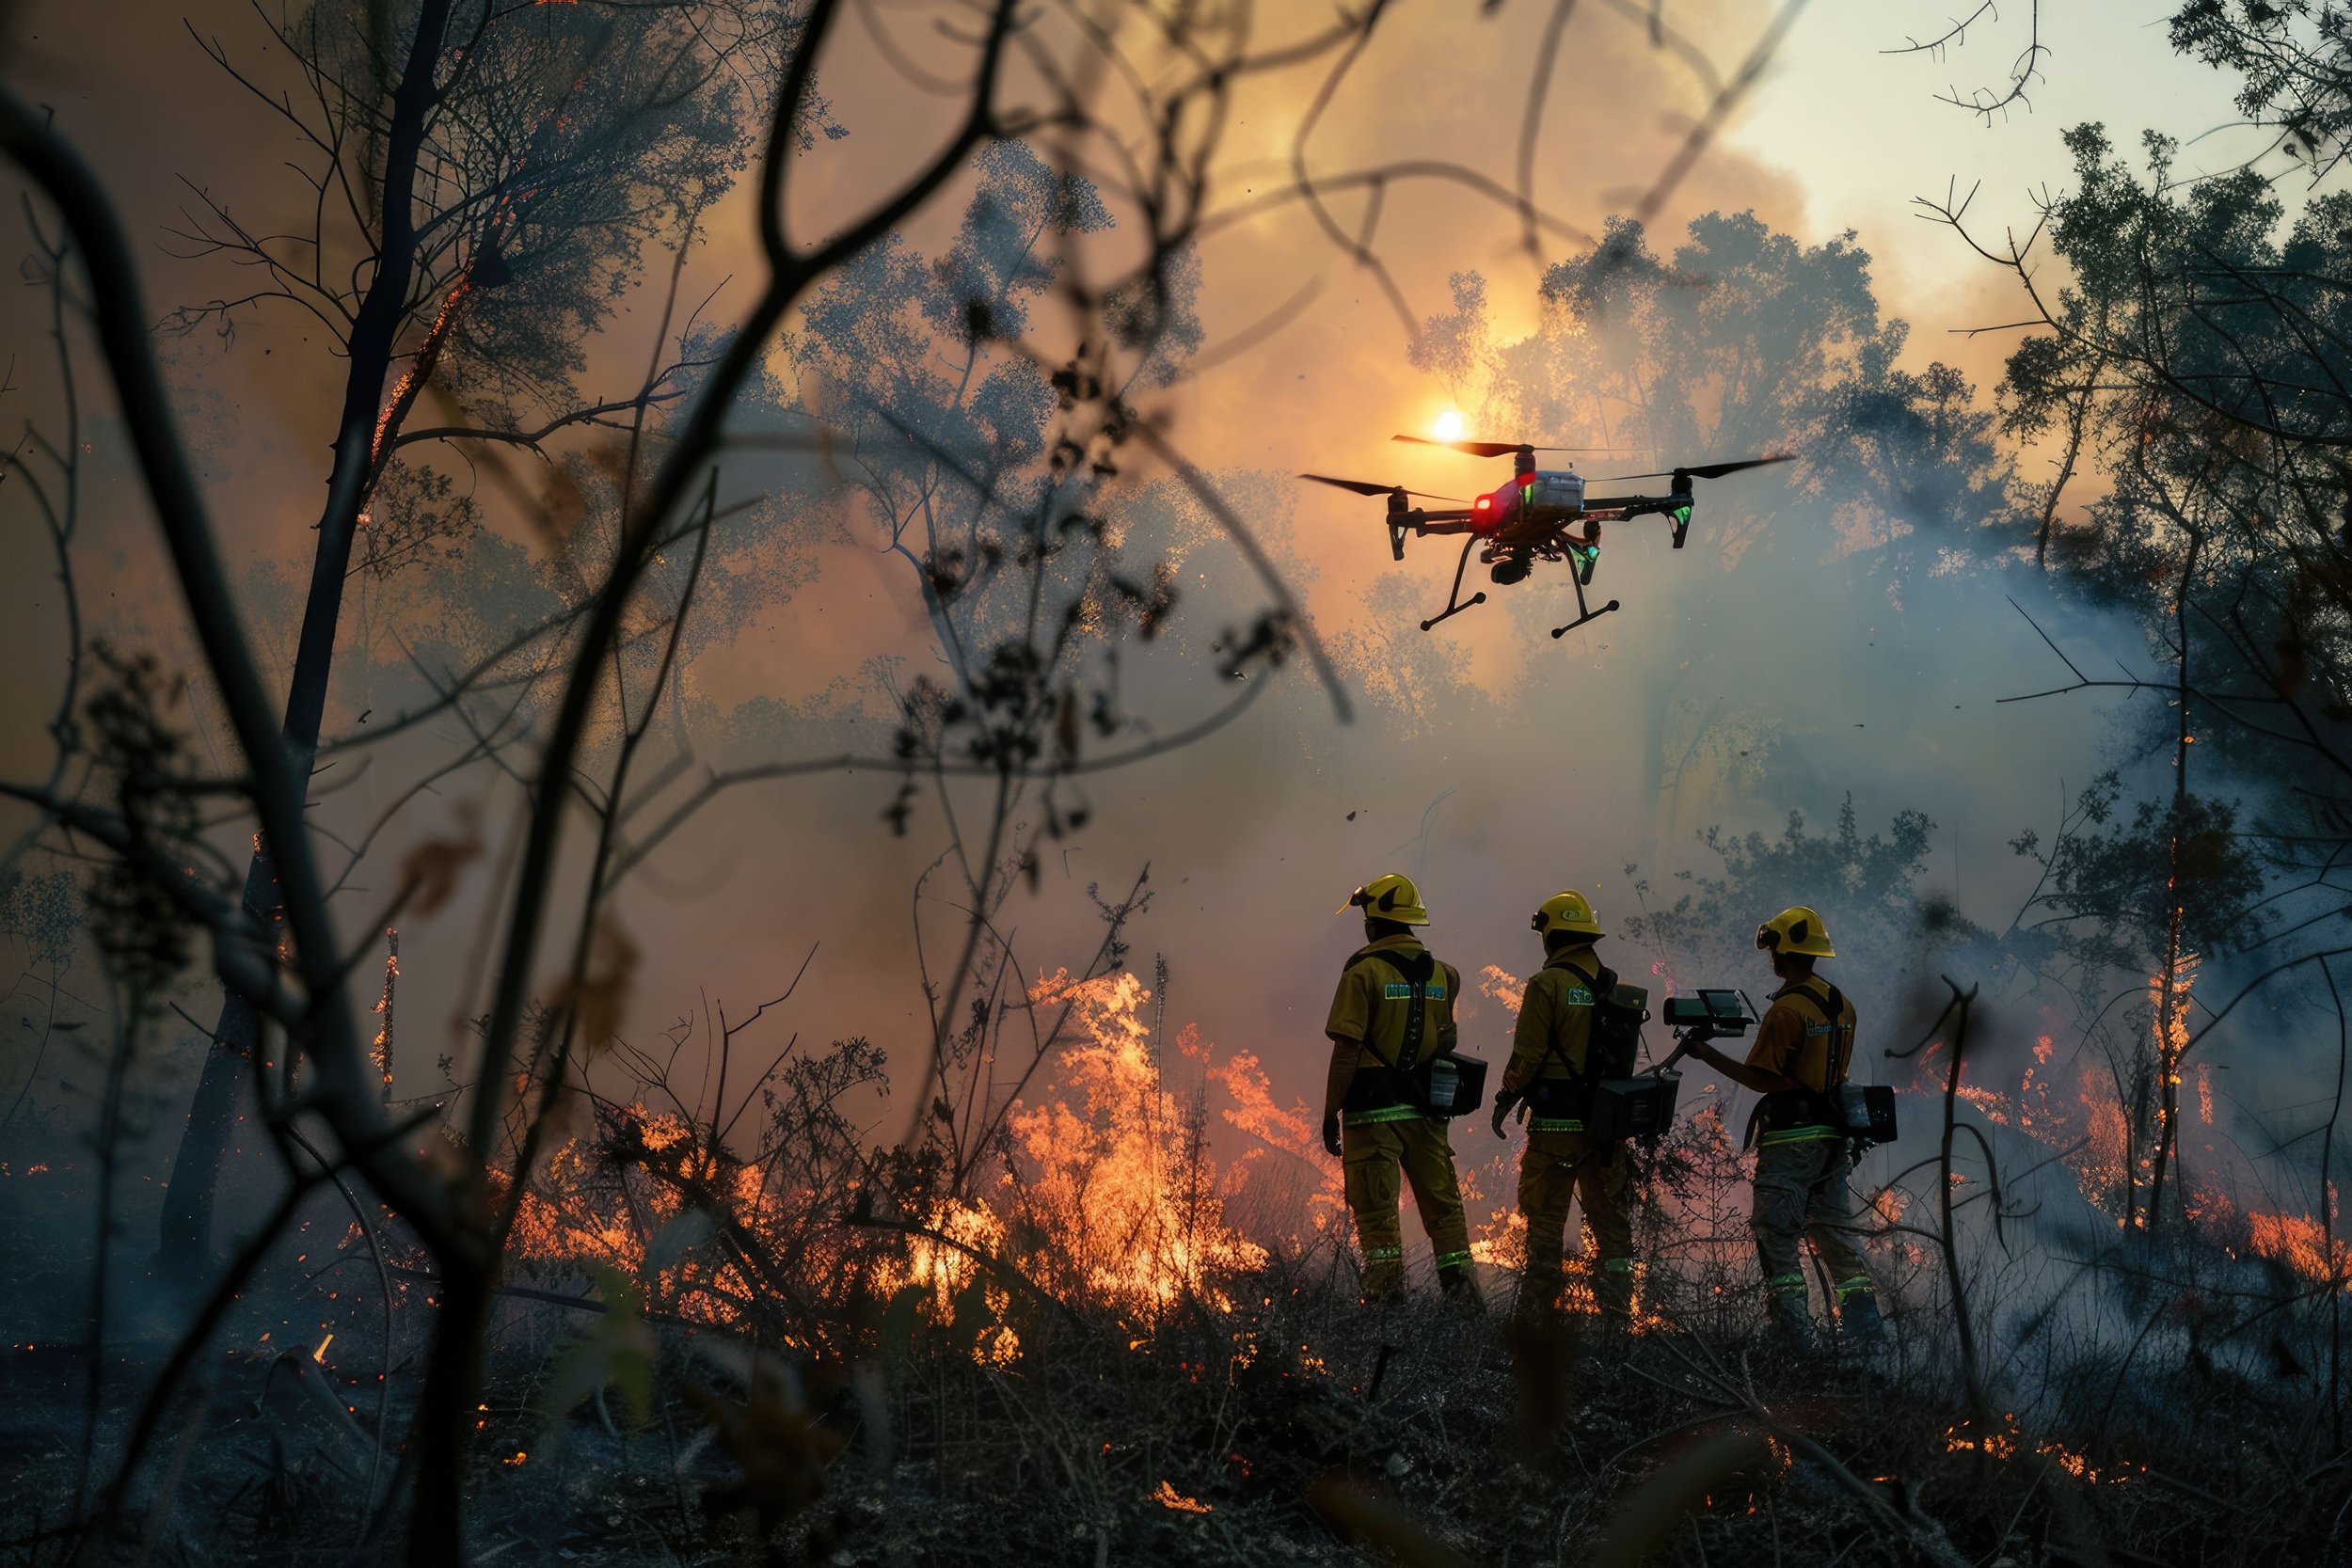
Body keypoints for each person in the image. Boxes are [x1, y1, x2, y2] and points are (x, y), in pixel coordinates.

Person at [1680, 904, 1884, 1347]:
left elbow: (1763, 1078)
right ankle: (1868, 1340)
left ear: (1784, 952)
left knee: (1777, 1236)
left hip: (1792, 1138)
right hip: (1834, 1137)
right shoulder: (1841, 1004)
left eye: (1773, 947)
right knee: (1837, 1240)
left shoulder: (1786, 1010)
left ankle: (1795, 1343)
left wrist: (1705, 1054)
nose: (1770, 955)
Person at [1322, 872, 1476, 1302]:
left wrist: (1329, 1112)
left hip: (1372, 1115)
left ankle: (1388, 1313)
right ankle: (1465, 1308)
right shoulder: (1445, 976)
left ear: (1372, 922)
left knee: (1377, 1218)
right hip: (1426, 1112)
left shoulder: (1362, 973)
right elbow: (1447, 1042)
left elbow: (1347, 1051)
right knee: (1445, 1213)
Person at [1489, 890, 1637, 1323]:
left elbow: (1529, 1055)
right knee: (1611, 1228)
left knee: (1545, 1220)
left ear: (1552, 935)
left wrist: (1505, 1096)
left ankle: (1537, 1317)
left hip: (1556, 1125)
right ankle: (1617, 1319)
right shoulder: (1614, 986)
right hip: (1605, 1126)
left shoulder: (1547, 985)